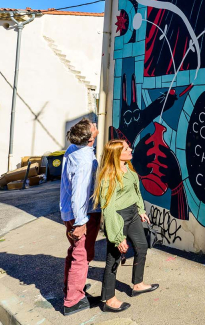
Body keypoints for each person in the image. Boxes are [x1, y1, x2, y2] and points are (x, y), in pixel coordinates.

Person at [95, 139, 159, 312]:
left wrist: (141, 210)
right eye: (126, 148)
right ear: (117, 154)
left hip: (133, 214)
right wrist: (118, 237)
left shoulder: (128, 168)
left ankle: (138, 284)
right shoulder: (109, 177)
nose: (130, 149)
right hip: (118, 218)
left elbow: (136, 192)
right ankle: (109, 300)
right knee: (113, 259)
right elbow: (108, 209)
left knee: (142, 246)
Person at [59, 118, 100, 316]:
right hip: (83, 214)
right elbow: (79, 193)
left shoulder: (73, 149)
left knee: (75, 251)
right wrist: (81, 222)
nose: (96, 125)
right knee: (81, 255)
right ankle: (73, 300)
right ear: (90, 138)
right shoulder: (84, 160)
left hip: (69, 211)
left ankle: (72, 287)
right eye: (93, 126)